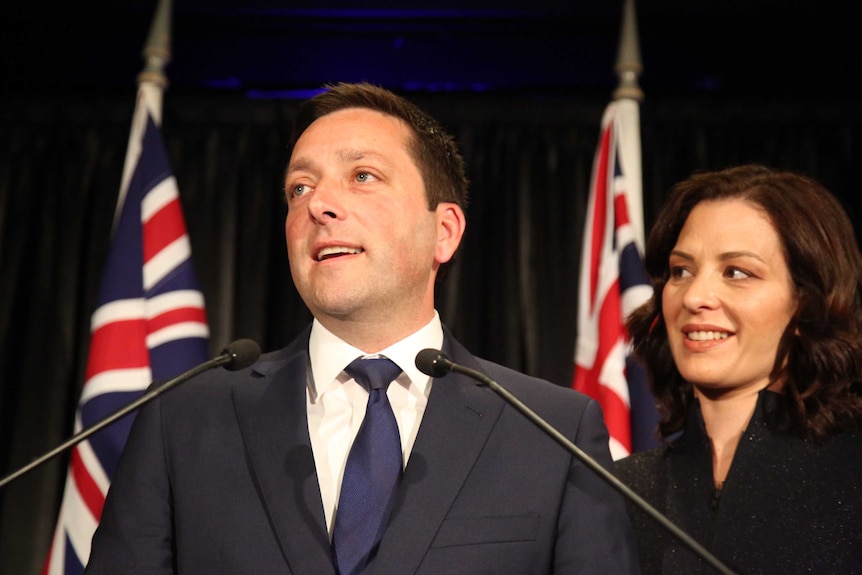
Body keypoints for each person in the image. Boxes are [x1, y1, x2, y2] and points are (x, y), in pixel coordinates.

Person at [85, 82, 641, 574]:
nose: (320, 204)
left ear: (444, 232)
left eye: (362, 176)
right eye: (299, 188)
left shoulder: (553, 433)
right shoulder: (180, 421)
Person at [614, 164, 862, 575]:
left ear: (808, 304)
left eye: (737, 272)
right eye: (681, 271)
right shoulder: (616, 492)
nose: (694, 296)